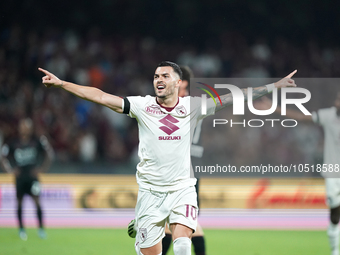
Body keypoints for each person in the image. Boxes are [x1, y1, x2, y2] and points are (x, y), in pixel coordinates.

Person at [38, 62, 296, 255]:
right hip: (150, 192)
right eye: (155, 76)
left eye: (164, 76)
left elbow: (236, 97)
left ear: (177, 83)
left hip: (182, 188)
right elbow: (100, 96)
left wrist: (274, 86)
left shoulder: (193, 106)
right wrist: (62, 84)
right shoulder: (141, 105)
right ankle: (141, 224)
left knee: (183, 242)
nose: (158, 79)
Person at [128, 66, 207, 255]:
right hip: (170, 173)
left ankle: (143, 222)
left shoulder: (188, 105)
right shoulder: (162, 106)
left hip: (185, 175)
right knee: (182, 228)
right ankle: (144, 222)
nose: (183, 92)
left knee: (184, 227)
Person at [257, 93, 340, 255]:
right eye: (337, 99)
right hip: (333, 173)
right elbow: (301, 117)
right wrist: (274, 108)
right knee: (335, 213)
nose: (337, 102)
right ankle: (335, 251)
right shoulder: (328, 115)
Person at [0, 118, 54, 240]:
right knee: (19, 203)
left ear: (30, 128)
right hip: (20, 178)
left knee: (37, 202)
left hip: (32, 178)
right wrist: (10, 170)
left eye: (27, 126)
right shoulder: (13, 142)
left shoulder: (36, 141)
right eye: (23, 126)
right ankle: (21, 229)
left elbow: (49, 154)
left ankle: (40, 229)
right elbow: (2, 156)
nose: (24, 129)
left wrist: (42, 169)